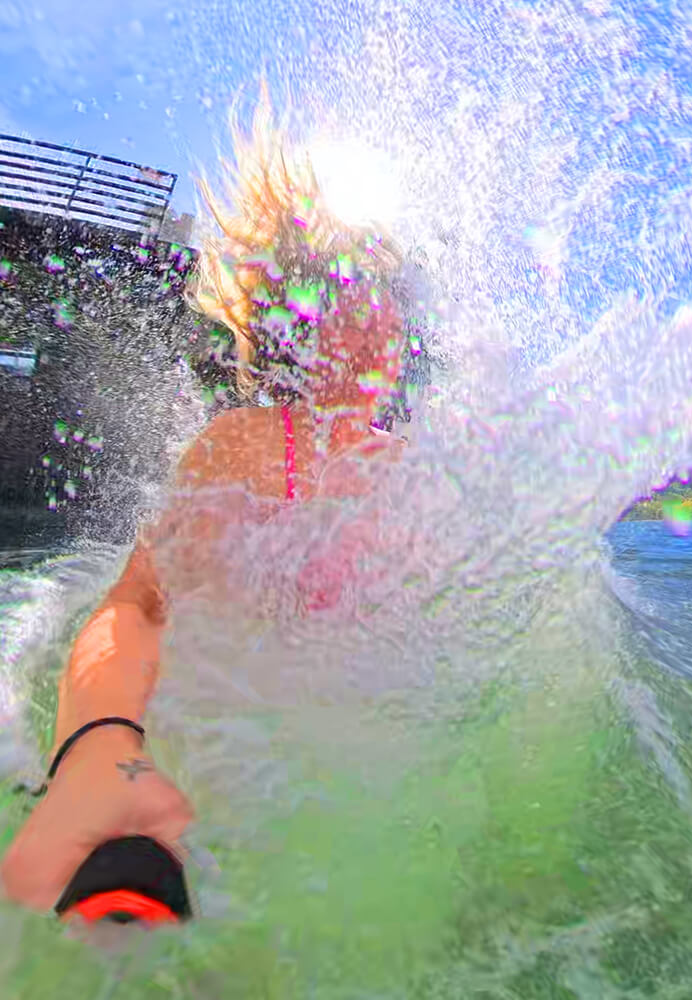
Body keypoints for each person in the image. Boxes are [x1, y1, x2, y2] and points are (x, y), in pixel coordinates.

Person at [0, 89, 423, 914]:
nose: (391, 320)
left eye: (395, 299)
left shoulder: (412, 467)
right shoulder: (256, 439)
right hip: (227, 762)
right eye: (364, 291)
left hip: (357, 778)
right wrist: (100, 745)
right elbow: (137, 604)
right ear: (305, 322)